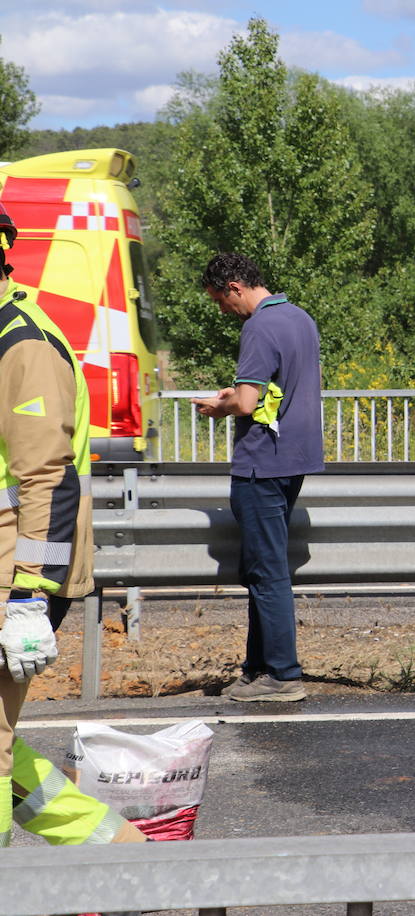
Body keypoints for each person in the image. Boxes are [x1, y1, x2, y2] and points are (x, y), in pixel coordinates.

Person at [0, 203, 147, 853]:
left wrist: (30, 599)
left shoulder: (21, 343)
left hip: (15, 573)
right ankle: (113, 849)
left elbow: (48, 479)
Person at [191, 253, 324, 702]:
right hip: (292, 459)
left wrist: (218, 405)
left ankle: (283, 675)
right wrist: (240, 395)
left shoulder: (258, 327)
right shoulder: (300, 318)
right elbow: (276, 390)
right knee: (260, 569)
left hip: (261, 464)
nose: (221, 310)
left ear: (234, 287)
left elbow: (247, 403)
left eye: (219, 301)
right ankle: (257, 668)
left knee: (266, 572)